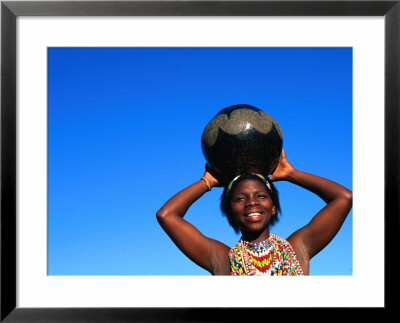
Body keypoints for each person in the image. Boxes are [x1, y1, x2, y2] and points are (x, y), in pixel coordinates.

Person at [156, 149, 352, 275]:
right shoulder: (223, 259)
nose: (251, 203)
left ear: (273, 207)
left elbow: (344, 198)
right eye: (240, 199)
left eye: (261, 196)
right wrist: (207, 182)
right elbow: (167, 215)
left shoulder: (296, 249)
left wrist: (292, 174)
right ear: (230, 211)